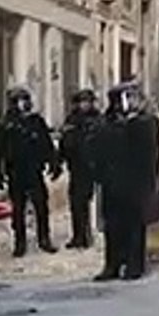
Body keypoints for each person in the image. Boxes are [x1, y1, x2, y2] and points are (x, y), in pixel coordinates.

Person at [95, 82, 159, 282]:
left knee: (134, 225)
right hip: (111, 183)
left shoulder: (145, 123)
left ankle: (135, 265)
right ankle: (113, 265)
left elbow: (151, 151)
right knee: (112, 226)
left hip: (136, 183)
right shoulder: (106, 123)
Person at [0, 87, 61, 257]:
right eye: (19, 101)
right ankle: (20, 242)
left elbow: (46, 143)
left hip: (34, 170)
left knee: (41, 205)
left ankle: (44, 238)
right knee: (18, 209)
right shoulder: (6, 125)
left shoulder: (36, 121)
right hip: (16, 171)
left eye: (25, 100)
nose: (23, 104)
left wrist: (53, 163)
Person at [60, 89, 104, 249]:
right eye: (81, 102)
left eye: (87, 102)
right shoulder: (72, 120)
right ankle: (79, 235)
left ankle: (91, 233)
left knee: (93, 201)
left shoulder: (98, 120)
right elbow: (65, 142)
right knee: (77, 203)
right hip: (77, 167)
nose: (84, 105)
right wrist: (60, 159)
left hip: (94, 166)